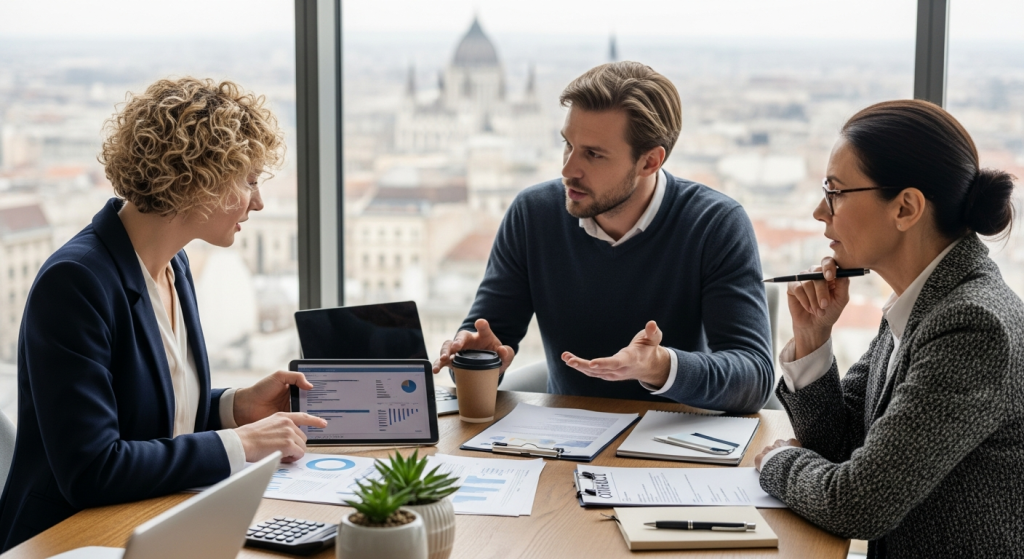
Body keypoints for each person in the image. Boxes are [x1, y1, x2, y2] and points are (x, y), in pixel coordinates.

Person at [0, 78, 327, 551]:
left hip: (149, 521)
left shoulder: (174, 264)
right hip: (68, 541)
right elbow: (94, 469)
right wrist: (244, 444)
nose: (258, 201)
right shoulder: (75, 283)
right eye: (249, 181)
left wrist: (234, 407)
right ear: (199, 179)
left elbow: (147, 414)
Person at [753, 100, 1024, 557]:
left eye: (835, 192)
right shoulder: (922, 301)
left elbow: (858, 503)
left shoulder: (972, 326)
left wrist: (776, 462)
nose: (821, 211)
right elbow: (842, 446)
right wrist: (813, 343)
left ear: (905, 208)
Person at [432, 62, 773, 413]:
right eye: (568, 145)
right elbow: (483, 342)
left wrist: (661, 367)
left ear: (649, 162)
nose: (567, 170)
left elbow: (754, 376)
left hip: (677, 446)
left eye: (593, 154)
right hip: (562, 444)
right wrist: (476, 358)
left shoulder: (715, 224)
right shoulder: (533, 214)